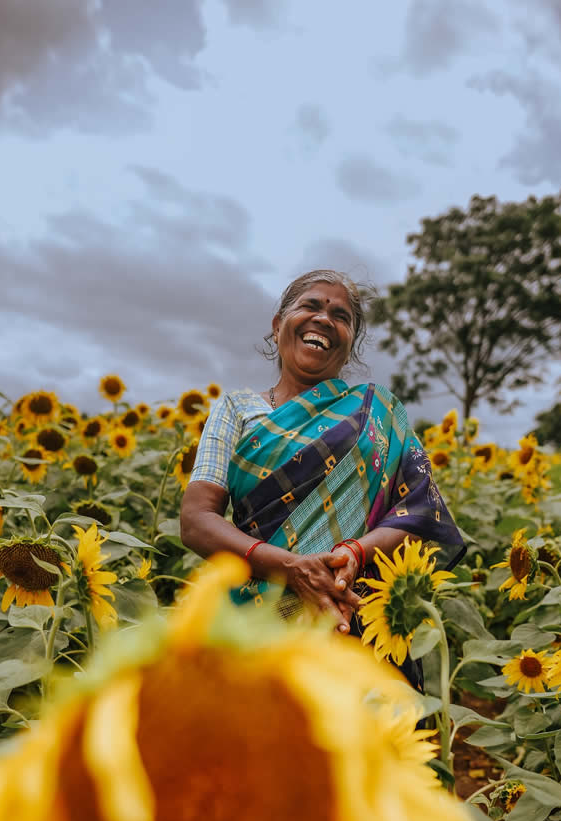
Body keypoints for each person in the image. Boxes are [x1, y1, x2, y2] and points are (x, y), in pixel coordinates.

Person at [179, 269, 465, 691]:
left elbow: (419, 512)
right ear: (278, 326)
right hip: (257, 619)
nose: (325, 319)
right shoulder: (237, 410)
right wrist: (291, 567)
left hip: (356, 616)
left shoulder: (377, 414)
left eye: (341, 316)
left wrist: (353, 554)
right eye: (310, 305)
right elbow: (196, 519)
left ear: (349, 346)